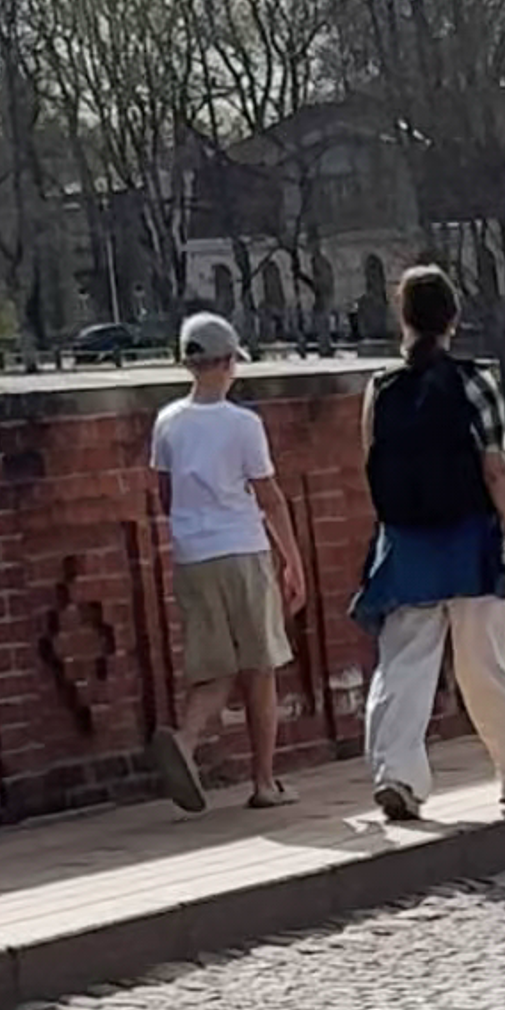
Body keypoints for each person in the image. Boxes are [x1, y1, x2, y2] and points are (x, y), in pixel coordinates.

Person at [354, 261, 505, 828]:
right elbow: (496, 470)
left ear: (403, 319)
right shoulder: (477, 381)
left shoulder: (380, 388)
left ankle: (397, 774)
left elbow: (372, 464)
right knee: (486, 662)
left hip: (406, 544)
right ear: (454, 319)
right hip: (470, 537)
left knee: (403, 667)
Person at [145, 308, 305, 809]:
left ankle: (186, 741)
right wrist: (293, 560)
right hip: (242, 549)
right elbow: (269, 497)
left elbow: (165, 494)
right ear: (227, 363)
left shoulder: (167, 422)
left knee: (213, 666)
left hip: (193, 556)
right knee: (259, 667)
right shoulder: (244, 425)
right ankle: (263, 782)